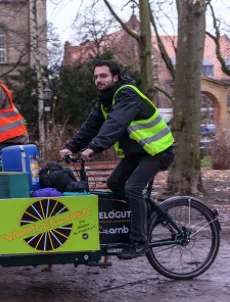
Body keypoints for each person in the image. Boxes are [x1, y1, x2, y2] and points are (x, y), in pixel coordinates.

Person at [59, 60, 175, 259]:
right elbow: (90, 126)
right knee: (114, 183)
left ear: (115, 77)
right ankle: (146, 212)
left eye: (103, 76)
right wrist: (71, 146)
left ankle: (139, 242)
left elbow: (116, 123)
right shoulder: (105, 100)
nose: (98, 80)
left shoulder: (127, 94)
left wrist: (94, 147)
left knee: (132, 188)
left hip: (157, 151)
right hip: (137, 154)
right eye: (95, 77)